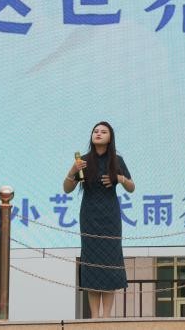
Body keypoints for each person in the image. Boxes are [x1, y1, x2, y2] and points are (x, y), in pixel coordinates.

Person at [63, 121, 135, 319]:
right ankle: (95, 317)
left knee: (109, 264)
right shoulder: (84, 161)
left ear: (110, 137)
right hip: (89, 216)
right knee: (92, 264)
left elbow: (131, 187)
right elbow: (67, 189)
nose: (99, 134)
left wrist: (119, 178)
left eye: (104, 131)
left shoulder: (117, 160)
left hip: (110, 218)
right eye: (96, 131)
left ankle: (107, 317)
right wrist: (72, 170)